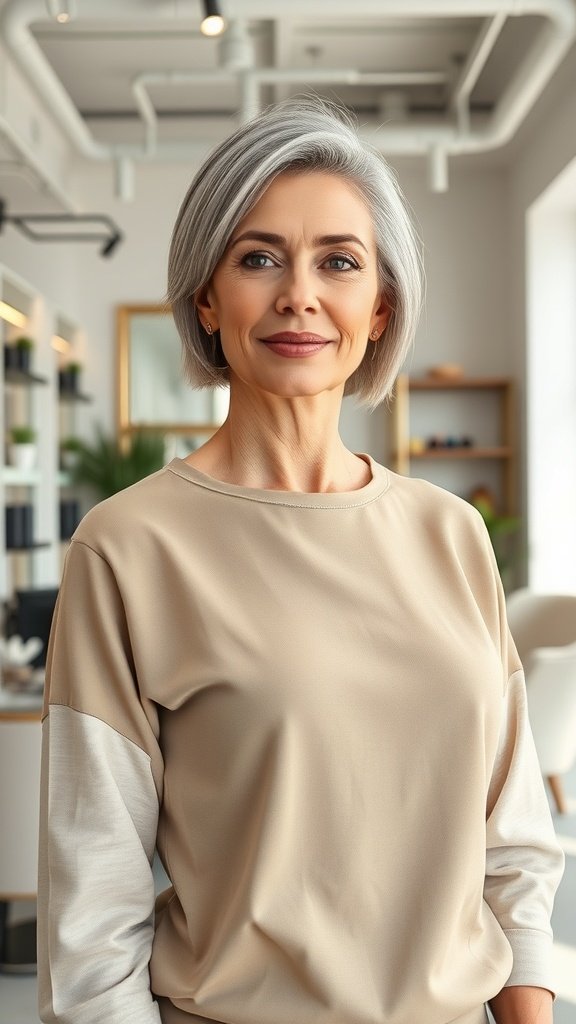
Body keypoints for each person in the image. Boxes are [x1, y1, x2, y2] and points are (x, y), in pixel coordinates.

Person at [38, 98, 564, 1024]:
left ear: (379, 305)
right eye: (258, 257)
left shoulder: (452, 532)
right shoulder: (127, 547)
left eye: (340, 262)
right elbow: (94, 902)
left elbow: (512, 841)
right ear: (207, 297)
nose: (299, 295)